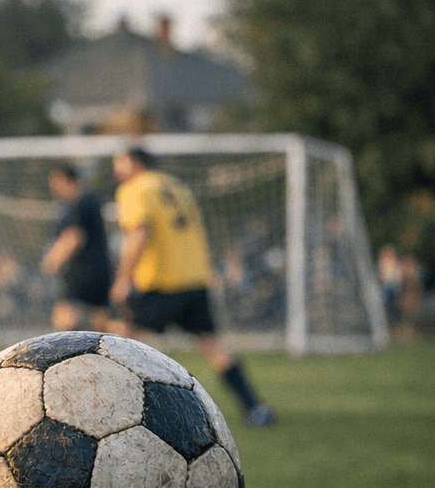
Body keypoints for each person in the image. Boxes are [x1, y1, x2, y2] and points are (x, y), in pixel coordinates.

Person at [110, 146, 276, 427]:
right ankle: (255, 407)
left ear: (135, 163)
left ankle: (125, 415)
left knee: (122, 340)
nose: (116, 168)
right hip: (195, 278)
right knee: (211, 345)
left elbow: (140, 231)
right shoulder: (176, 186)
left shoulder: (135, 188)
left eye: (120, 162)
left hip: (161, 281)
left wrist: (123, 278)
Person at [40, 163, 113, 332]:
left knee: (63, 317)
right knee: (100, 320)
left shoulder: (78, 202)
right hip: (101, 268)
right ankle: (123, 340)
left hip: (82, 271)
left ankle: (70, 348)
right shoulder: (90, 199)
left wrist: (52, 261)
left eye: (54, 181)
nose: (52, 187)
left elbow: (73, 237)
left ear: (64, 179)